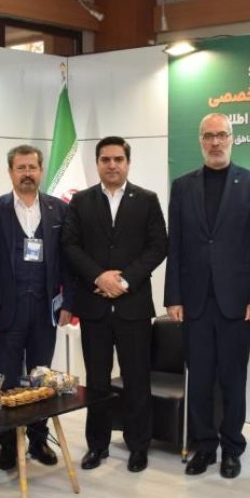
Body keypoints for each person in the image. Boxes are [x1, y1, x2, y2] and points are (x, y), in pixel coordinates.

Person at [165, 113, 250, 479]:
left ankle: (232, 448)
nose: (215, 142)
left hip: (238, 303)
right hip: (194, 302)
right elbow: (176, 246)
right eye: (208, 136)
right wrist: (173, 297)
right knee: (199, 380)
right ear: (200, 140)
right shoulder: (182, 186)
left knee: (232, 379)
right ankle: (205, 447)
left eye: (221, 135)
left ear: (231, 138)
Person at [62, 136, 168, 472]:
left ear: (127, 163)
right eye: (105, 159)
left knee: (136, 380)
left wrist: (123, 281)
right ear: (97, 163)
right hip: (94, 307)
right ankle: (98, 446)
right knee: (96, 381)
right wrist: (99, 277)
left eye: (118, 159)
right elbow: (70, 245)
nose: (112, 165)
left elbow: (158, 246)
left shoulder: (147, 200)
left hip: (133, 307)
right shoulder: (81, 201)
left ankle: (139, 447)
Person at [0, 145, 73, 470]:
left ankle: (38, 441)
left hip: (44, 310)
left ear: (41, 170)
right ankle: (10, 445)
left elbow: (68, 261)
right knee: (7, 379)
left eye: (32, 167)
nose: (27, 173)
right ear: (10, 172)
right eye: (20, 168)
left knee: (41, 376)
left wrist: (68, 303)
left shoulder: (58, 209)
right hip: (7, 311)